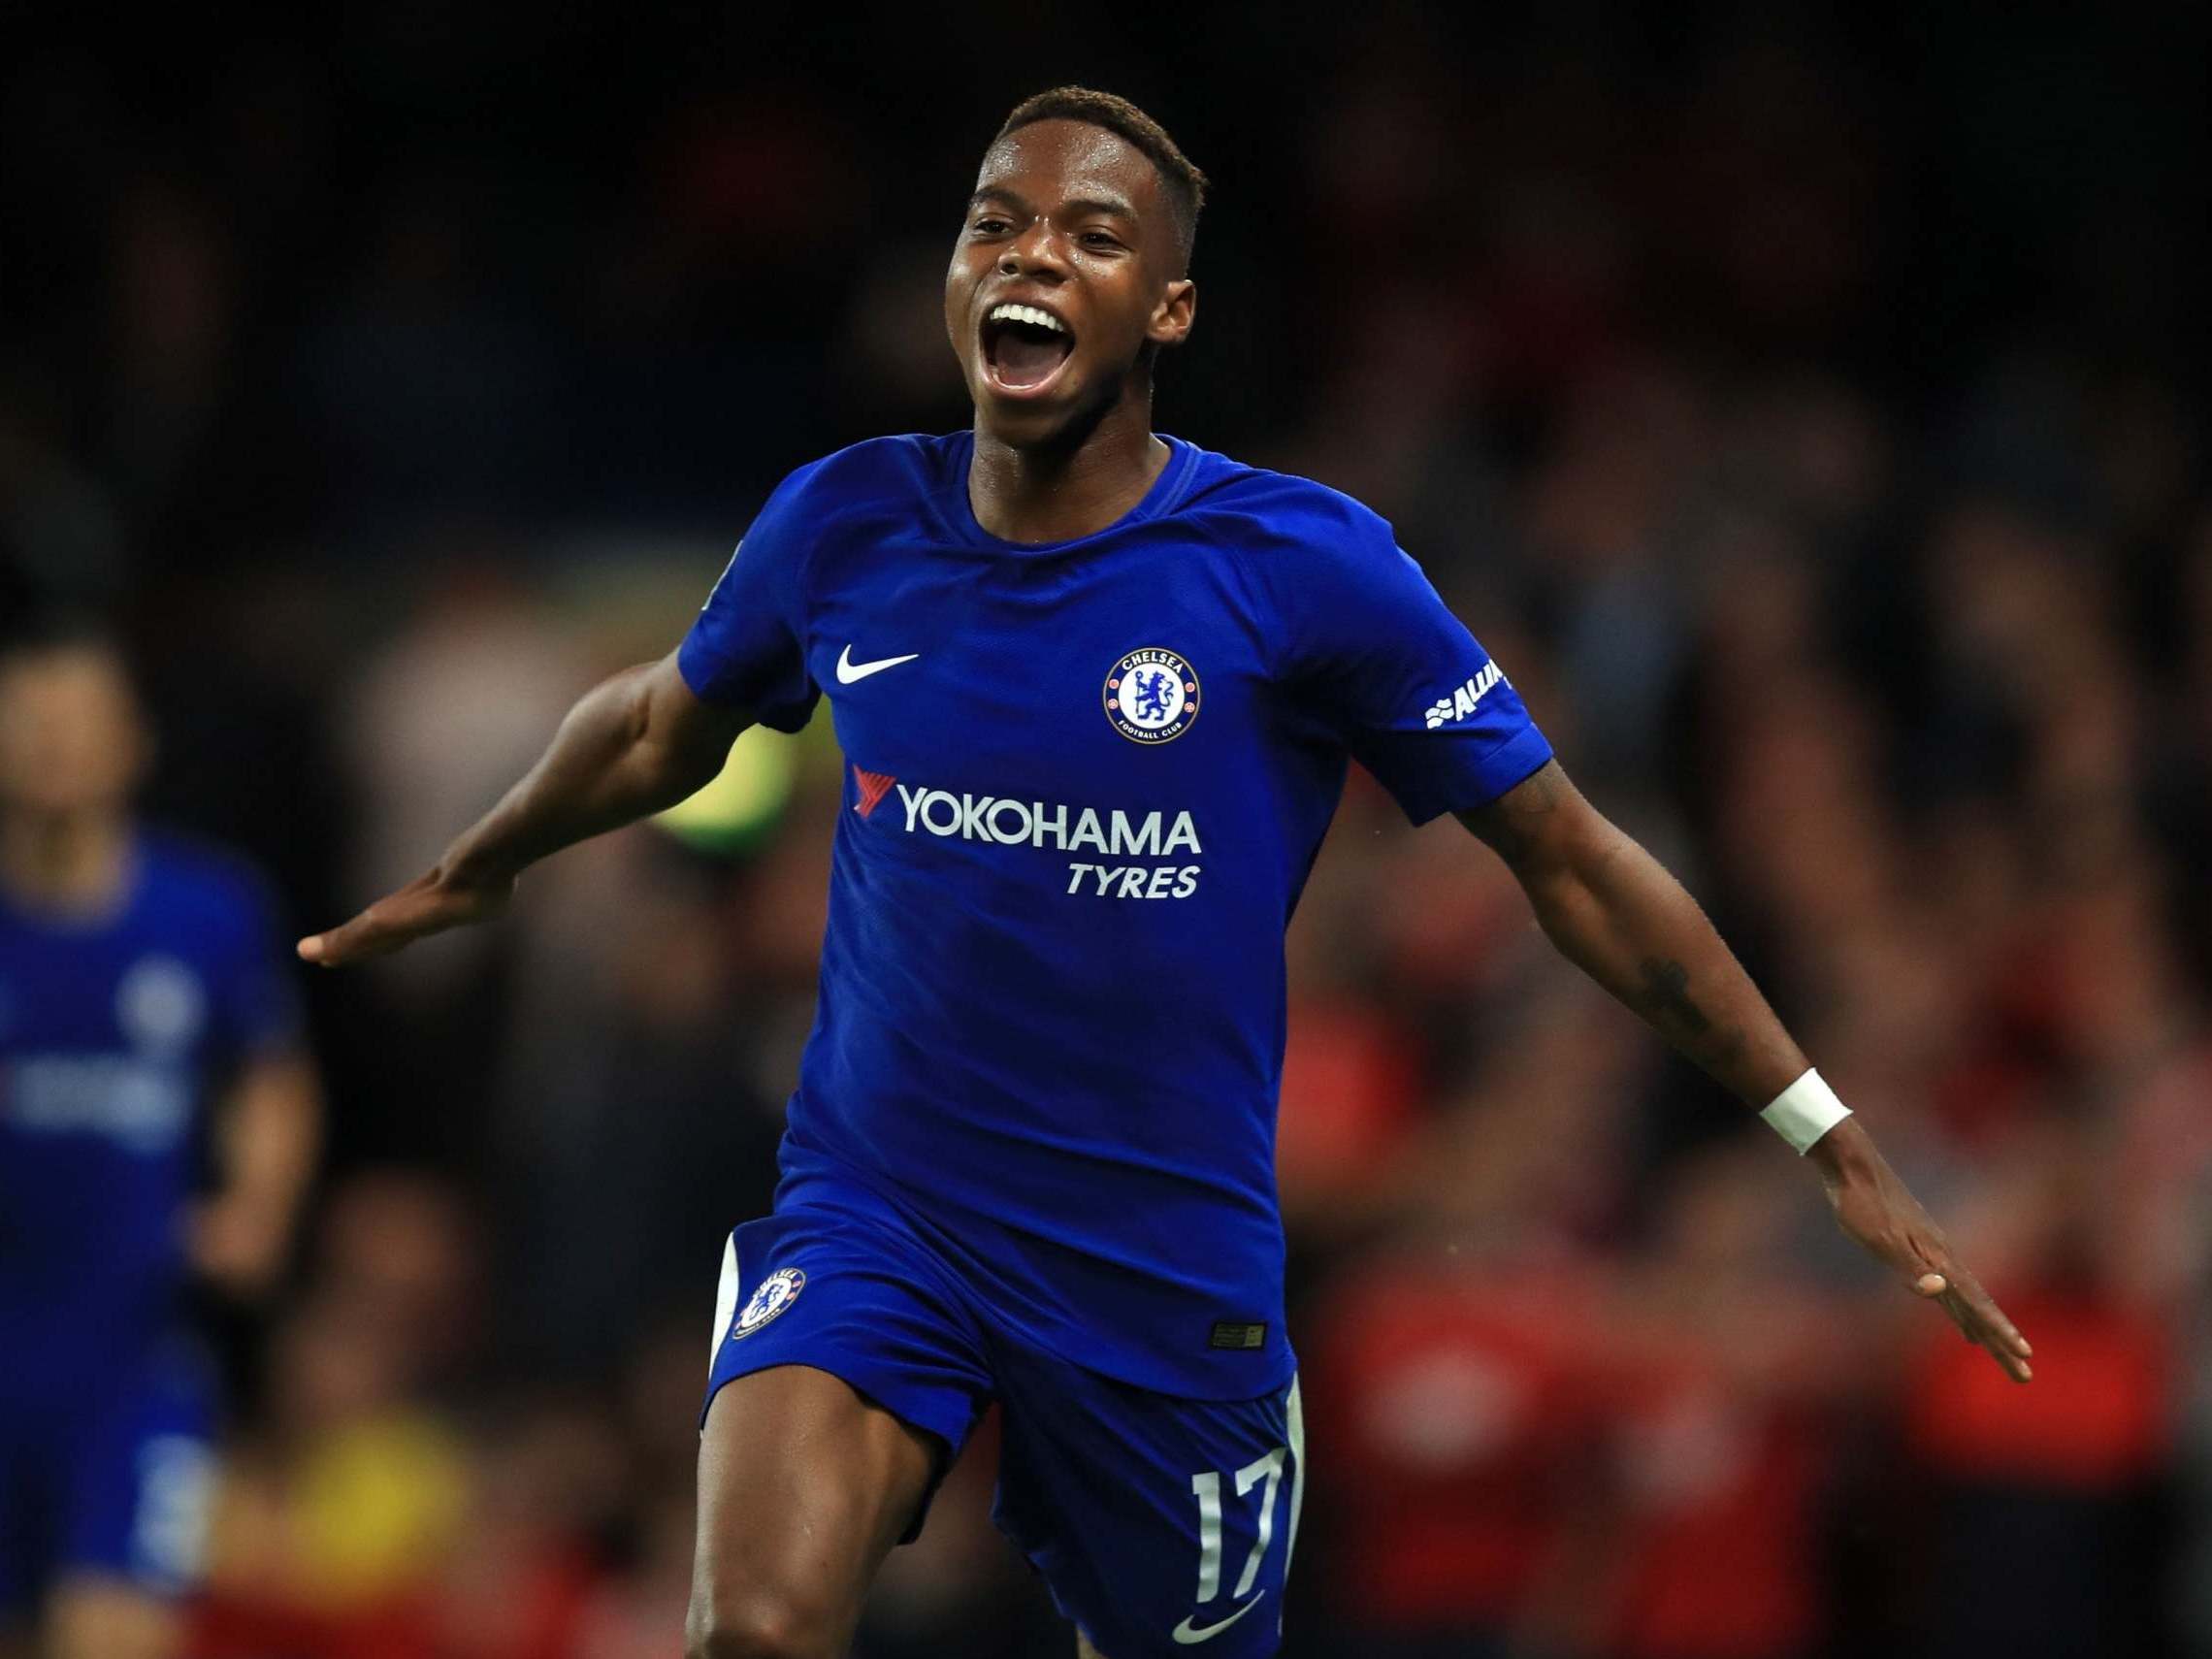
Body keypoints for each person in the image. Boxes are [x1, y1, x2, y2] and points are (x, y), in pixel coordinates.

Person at [300, 86, 2033, 1659]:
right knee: (752, 1629)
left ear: (1169, 313)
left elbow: (1568, 860)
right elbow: (660, 725)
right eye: (998, 221)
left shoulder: (1299, 566)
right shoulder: (843, 522)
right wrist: (483, 859)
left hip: (1160, 1279)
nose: (1031, 252)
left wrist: (1825, 1128)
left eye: (1091, 233)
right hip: (880, 1216)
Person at [0, 618, 321, 1659]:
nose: (50, 745)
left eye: (74, 723)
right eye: (28, 722)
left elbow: (270, 1077)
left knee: (116, 1635)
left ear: (131, 744)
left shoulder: (207, 911)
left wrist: (258, 1210)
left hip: (133, 1359)